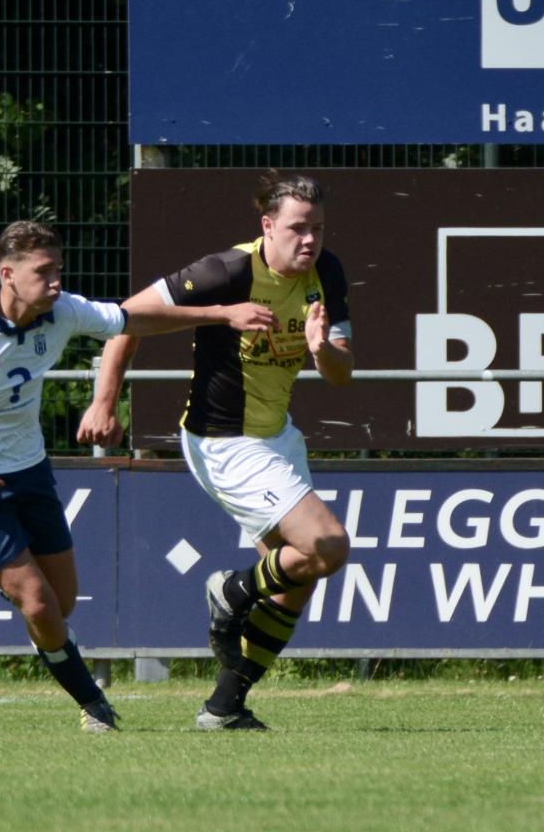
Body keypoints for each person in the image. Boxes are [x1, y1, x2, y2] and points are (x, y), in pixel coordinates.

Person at [0, 220, 275, 732]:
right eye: (43, 272)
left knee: (59, 605)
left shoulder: (63, 312)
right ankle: (95, 707)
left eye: (58, 270)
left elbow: (136, 320)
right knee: (37, 603)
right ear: (8, 274)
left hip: (29, 468)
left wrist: (220, 314)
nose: (55, 282)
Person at [80, 173, 355, 730]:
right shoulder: (228, 271)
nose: (309, 240)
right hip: (223, 440)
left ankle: (224, 707)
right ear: (267, 227)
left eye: (318, 229)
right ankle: (228, 591)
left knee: (299, 575)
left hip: (276, 437)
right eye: (297, 229)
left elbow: (342, 375)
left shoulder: (327, 273)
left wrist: (322, 350)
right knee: (328, 544)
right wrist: (103, 403)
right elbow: (124, 321)